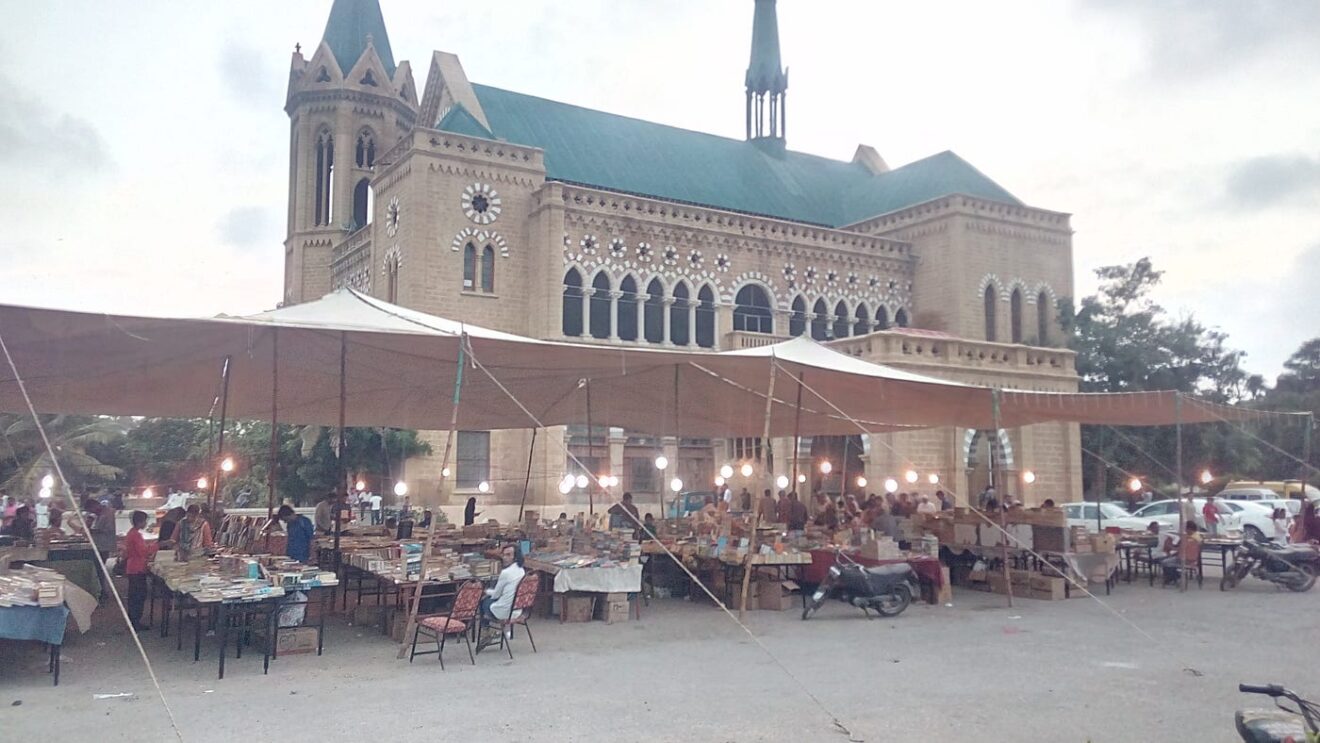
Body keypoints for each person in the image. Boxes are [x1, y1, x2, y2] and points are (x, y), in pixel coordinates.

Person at [481, 544, 526, 643]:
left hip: (505, 611)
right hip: (517, 609)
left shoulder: (506, 573)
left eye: (508, 555)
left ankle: (486, 632)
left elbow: (496, 594)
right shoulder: (521, 570)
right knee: (491, 599)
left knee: (483, 601)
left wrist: (485, 591)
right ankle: (502, 631)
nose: (505, 558)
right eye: (504, 555)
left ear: (515, 557)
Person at [121, 510, 153, 632]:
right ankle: (135, 621)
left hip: (133, 567)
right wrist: (157, 545)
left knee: (134, 596)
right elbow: (143, 551)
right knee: (138, 596)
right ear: (140, 522)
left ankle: (133, 620)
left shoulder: (131, 533)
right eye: (145, 521)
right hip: (137, 567)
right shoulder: (136, 535)